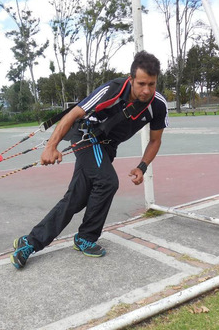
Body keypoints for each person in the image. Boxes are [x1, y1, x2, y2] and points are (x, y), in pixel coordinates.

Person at [10, 51, 169, 269]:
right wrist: (51, 146)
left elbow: (155, 140)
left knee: (76, 198)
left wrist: (142, 166)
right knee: (107, 182)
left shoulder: (158, 104)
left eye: (152, 84)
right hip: (86, 135)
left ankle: (28, 242)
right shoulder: (111, 89)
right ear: (131, 79)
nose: (146, 90)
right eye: (141, 83)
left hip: (107, 148)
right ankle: (86, 237)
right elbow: (72, 115)